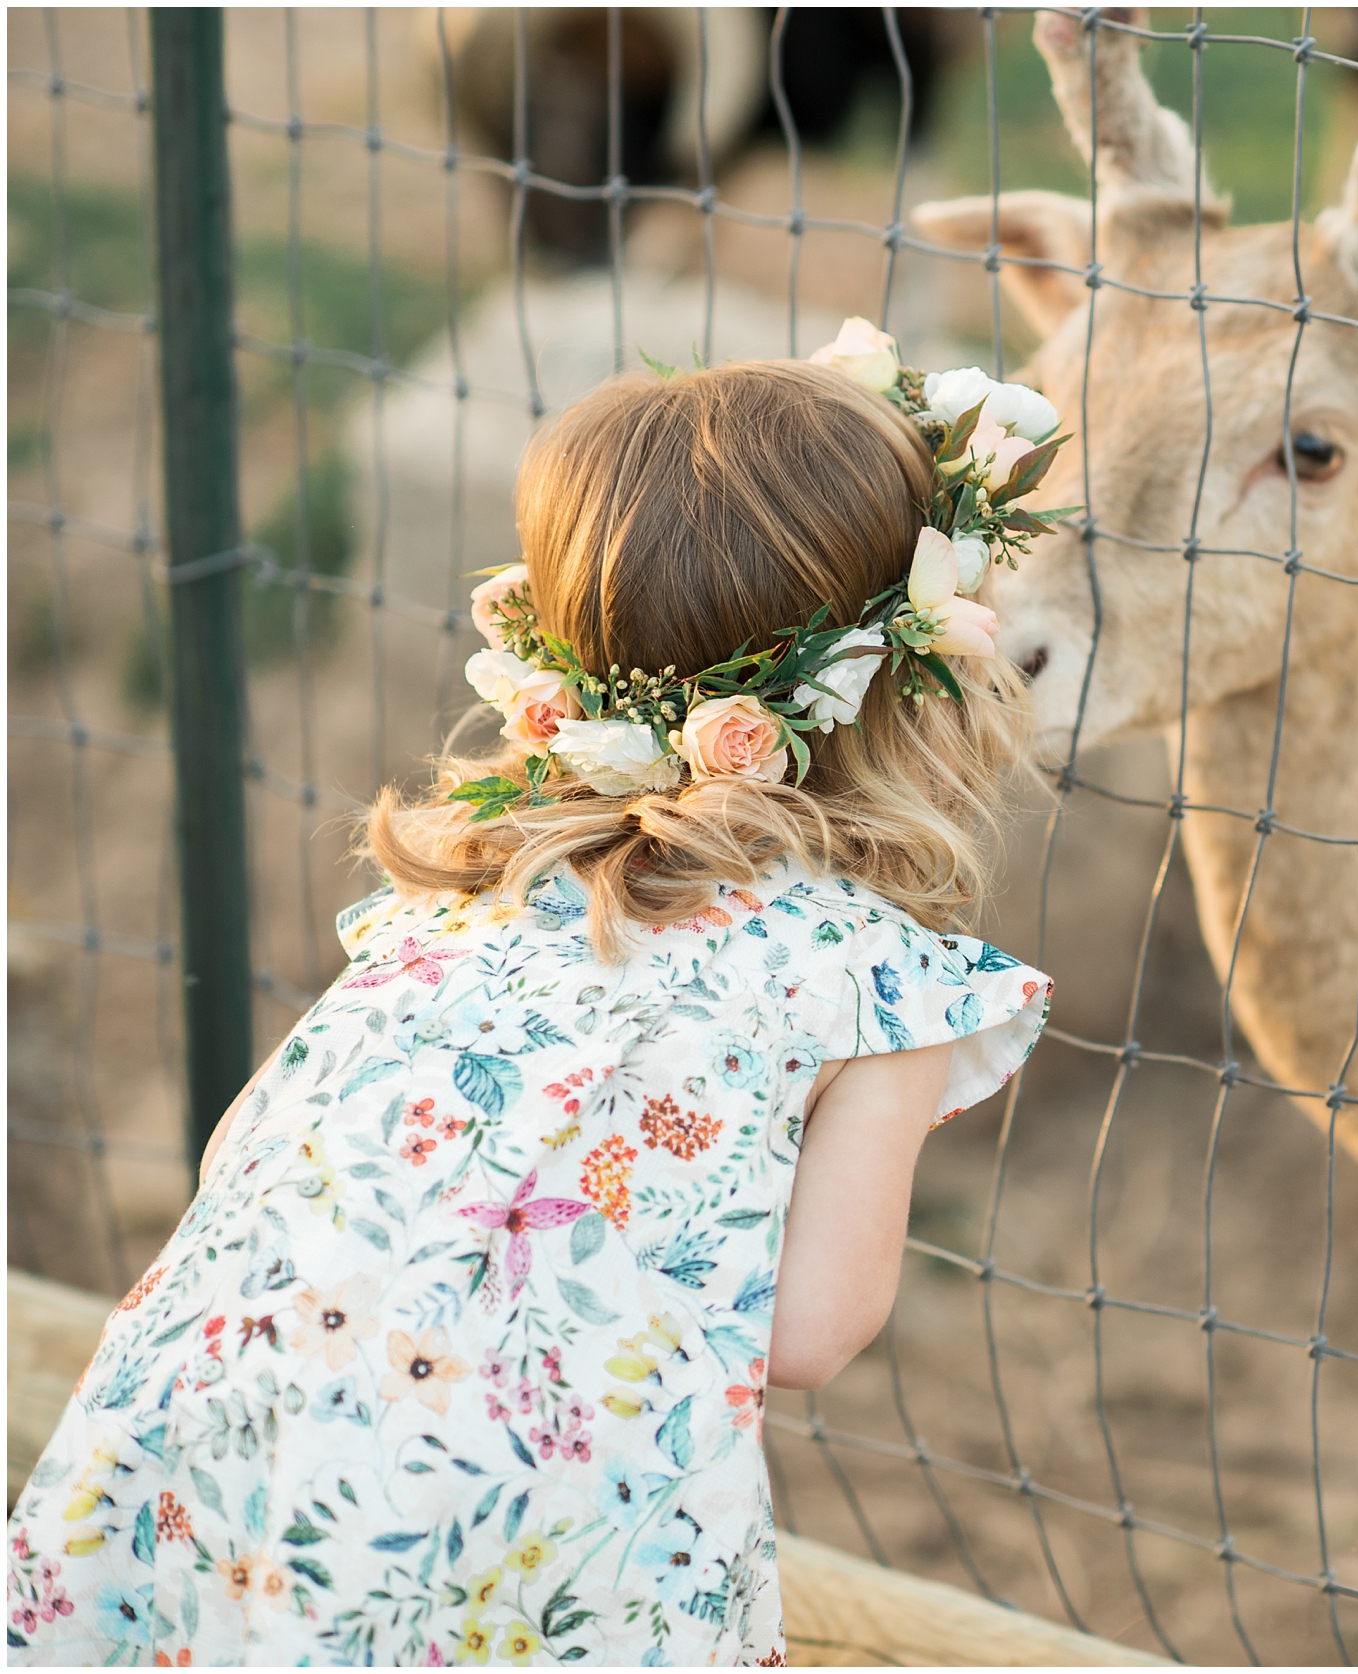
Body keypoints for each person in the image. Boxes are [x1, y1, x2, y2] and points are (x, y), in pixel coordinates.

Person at [7, 326, 1071, 1667]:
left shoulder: (459, 893)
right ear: (909, 672)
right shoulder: (874, 979)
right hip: (519, 1534)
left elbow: (237, 1150)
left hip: (216, 1448)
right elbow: (806, 1327)